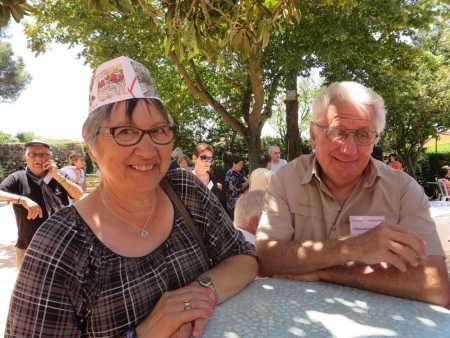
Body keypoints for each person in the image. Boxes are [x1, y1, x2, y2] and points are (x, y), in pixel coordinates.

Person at [5, 56, 257, 338]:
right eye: (125, 131)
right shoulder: (59, 247)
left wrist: (196, 294)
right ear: (92, 147)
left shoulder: (185, 191)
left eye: (158, 130)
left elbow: (243, 258)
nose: (148, 150)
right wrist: (144, 333)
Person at [256, 81, 449, 306]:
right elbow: (266, 259)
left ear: (375, 139)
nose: (349, 149)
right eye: (338, 132)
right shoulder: (286, 180)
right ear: (313, 134)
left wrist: (328, 273)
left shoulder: (403, 190)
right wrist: (353, 248)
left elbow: (436, 287)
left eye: (363, 135)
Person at [0, 140, 84, 268]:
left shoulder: (59, 176)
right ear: (26, 157)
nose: (39, 158)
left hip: (63, 245)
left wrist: (56, 175)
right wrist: (22, 199)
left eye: (44, 154)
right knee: (27, 288)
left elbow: (78, 194)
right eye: (32, 154)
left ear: (50, 157)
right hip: (29, 247)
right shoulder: (18, 178)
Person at [225, 154, 249, 218]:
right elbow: (237, 188)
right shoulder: (230, 174)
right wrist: (249, 181)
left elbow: (246, 181)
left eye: (242, 164)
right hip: (234, 205)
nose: (242, 166)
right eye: (240, 164)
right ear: (234, 164)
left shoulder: (240, 173)